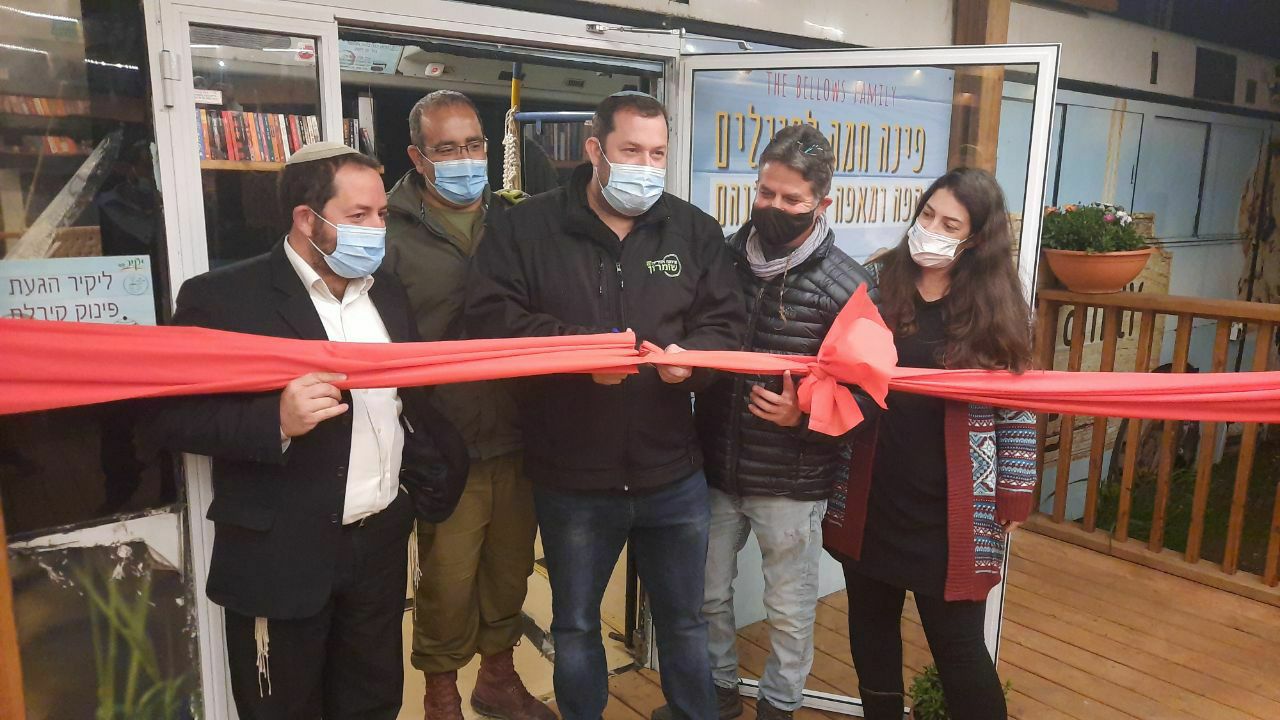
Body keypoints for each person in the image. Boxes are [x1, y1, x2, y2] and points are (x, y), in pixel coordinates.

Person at [143, 142, 452, 720]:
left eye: (381, 214)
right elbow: (169, 416)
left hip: (379, 542)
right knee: (283, 707)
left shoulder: (386, 290)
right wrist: (275, 422)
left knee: (372, 701)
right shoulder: (223, 298)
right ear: (307, 219)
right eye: (358, 216)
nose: (377, 230)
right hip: (282, 551)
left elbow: (406, 396)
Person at [465, 91, 746, 720]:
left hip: (673, 473)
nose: (646, 166)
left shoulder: (693, 230)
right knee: (574, 625)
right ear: (595, 150)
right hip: (573, 477)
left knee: (686, 621)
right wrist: (576, 354)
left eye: (658, 153)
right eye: (631, 150)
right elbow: (490, 319)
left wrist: (694, 361)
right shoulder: (526, 228)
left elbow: (726, 323)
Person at [681, 125, 878, 720]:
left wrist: (804, 413)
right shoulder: (721, 259)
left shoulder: (849, 286)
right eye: (766, 192)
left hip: (793, 479)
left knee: (789, 607)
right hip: (715, 466)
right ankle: (719, 690)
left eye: (792, 199)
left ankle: (780, 703)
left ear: (823, 201)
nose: (774, 207)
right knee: (707, 594)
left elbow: (869, 393)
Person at [825, 167, 1037, 720]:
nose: (932, 230)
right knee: (871, 632)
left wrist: (1015, 489)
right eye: (927, 215)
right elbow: (839, 368)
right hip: (874, 495)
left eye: (950, 224)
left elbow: (1017, 405)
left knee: (959, 648)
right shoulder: (877, 282)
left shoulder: (996, 307)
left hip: (953, 512)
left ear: (976, 240)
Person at [385, 89, 552, 720]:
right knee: (447, 582)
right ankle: (441, 697)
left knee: (510, 571)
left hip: (518, 432)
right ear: (418, 157)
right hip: (443, 442)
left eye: (473, 145)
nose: (464, 158)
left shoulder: (517, 219)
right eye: (447, 148)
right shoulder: (387, 231)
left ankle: (498, 680)